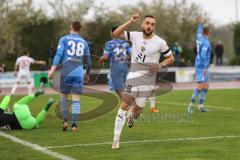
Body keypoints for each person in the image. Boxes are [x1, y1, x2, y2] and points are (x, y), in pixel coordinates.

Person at [111, 14, 174, 149]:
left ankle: (132, 116)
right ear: (142, 25)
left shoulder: (160, 42)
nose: (149, 26)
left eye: (152, 24)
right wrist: (130, 21)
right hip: (133, 77)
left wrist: (160, 65)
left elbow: (171, 58)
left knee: (138, 110)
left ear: (154, 27)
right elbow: (115, 33)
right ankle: (116, 139)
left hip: (148, 81)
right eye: (147, 23)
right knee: (124, 105)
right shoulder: (135, 35)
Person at [48, 21, 91, 132]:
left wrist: (52, 70)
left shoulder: (63, 39)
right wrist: (87, 74)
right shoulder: (84, 42)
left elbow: (59, 54)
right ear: (80, 29)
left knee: (63, 97)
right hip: (78, 73)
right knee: (76, 99)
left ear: (71, 27)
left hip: (66, 72)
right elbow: (89, 61)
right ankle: (75, 125)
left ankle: (65, 121)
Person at [99, 26, 131, 98]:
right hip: (124, 67)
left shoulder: (109, 44)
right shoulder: (126, 43)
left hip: (116, 68)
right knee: (121, 88)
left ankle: (129, 104)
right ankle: (125, 104)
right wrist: (123, 58)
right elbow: (132, 54)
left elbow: (105, 57)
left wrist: (101, 59)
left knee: (118, 89)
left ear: (112, 33)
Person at [187, 16, 211, 113]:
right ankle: (190, 106)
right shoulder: (206, 42)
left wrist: (200, 23)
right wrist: (205, 67)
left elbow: (199, 31)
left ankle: (200, 106)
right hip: (202, 66)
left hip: (199, 64)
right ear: (208, 33)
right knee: (200, 86)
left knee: (206, 86)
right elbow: (203, 54)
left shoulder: (199, 37)